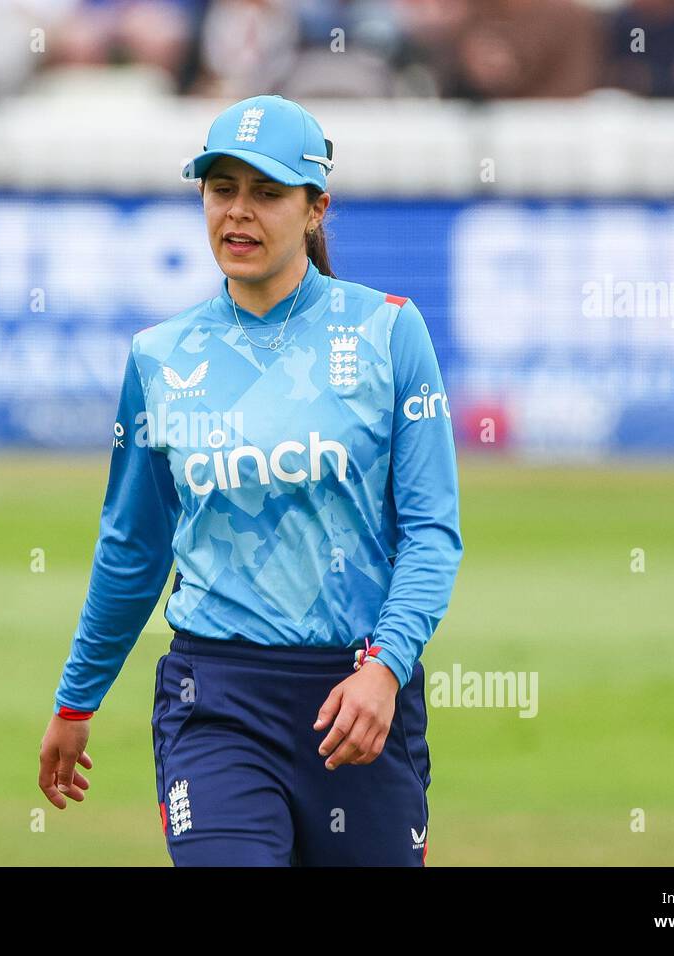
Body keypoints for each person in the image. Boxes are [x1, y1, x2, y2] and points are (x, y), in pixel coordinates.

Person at [37, 93, 463, 866]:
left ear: (314, 208)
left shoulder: (389, 332)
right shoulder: (158, 358)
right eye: (221, 188)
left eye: (266, 193)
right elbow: (133, 547)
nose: (239, 212)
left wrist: (384, 670)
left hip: (358, 704)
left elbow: (432, 534)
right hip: (216, 701)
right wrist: (77, 697)